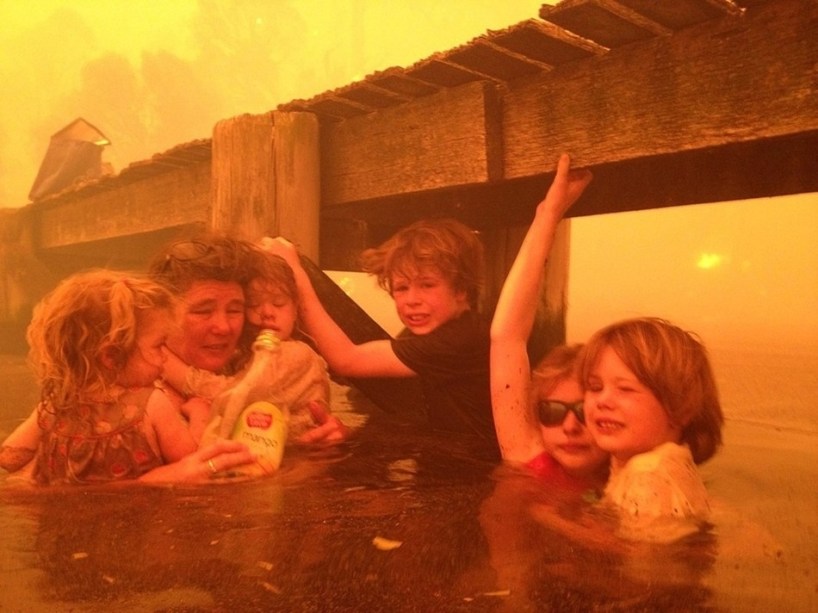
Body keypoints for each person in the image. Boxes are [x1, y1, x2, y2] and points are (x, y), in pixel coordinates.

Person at [262, 217, 498, 456]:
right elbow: (412, 424)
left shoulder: (464, 338)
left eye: (427, 285)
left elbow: (346, 359)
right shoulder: (425, 335)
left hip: (475, 475)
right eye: (401, 288)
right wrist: (350, 435)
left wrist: (295, 270)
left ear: (461, 289)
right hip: (446, 459)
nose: (411, 300)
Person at [0, 269, 254, 484]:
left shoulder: (55, 407)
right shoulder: (151, 404)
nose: (165, 357)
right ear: (111, 356)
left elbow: (8, 459)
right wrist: (199, 412)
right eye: (158, 346)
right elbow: (194, 460)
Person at [148, 234, 345, 446]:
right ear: (158, 314)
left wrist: (329, 450)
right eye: (203, 311)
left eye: (235, 310)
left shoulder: (271, 359)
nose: (223, 327)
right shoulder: (138, 396)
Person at [490, 153, 607, 489]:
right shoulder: (529, 458)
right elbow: (507, 336)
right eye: (552, 413)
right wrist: (548, 215)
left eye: (586, 411)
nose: (570, 426)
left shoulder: (632, 483)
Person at [579, 316, 724, 540]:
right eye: (595, 387)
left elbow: (645, 563)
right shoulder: (669, 464)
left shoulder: (647, 475)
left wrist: (558, 522)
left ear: (681, 410)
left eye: (625, 389)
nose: (603, 400)